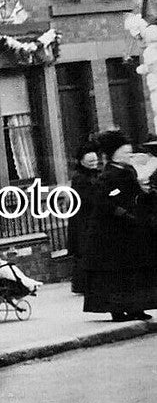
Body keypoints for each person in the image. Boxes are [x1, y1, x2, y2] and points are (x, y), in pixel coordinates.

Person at [81, 129, 157, 321]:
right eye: (124, 153)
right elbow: (103, 201)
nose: (128, 155)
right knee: (115, 274)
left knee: (134, 272)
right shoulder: (107, 175)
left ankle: (136, 307)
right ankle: (117, 310)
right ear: (113, 154)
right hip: (110, 235)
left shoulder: (129, 171)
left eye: (130, 152)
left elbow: (136, 195)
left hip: (131, 231)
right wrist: (122, 213)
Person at [67, 141, 100, 295]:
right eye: (90, 161)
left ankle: (84, 284)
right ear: (82, 161)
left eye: (95, 160)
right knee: (84, 252)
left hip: (89, 219)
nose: (94, 163)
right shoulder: (80, 178)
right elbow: (86, 199)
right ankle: (82, 284)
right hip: (84, 220)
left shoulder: (94, 174)